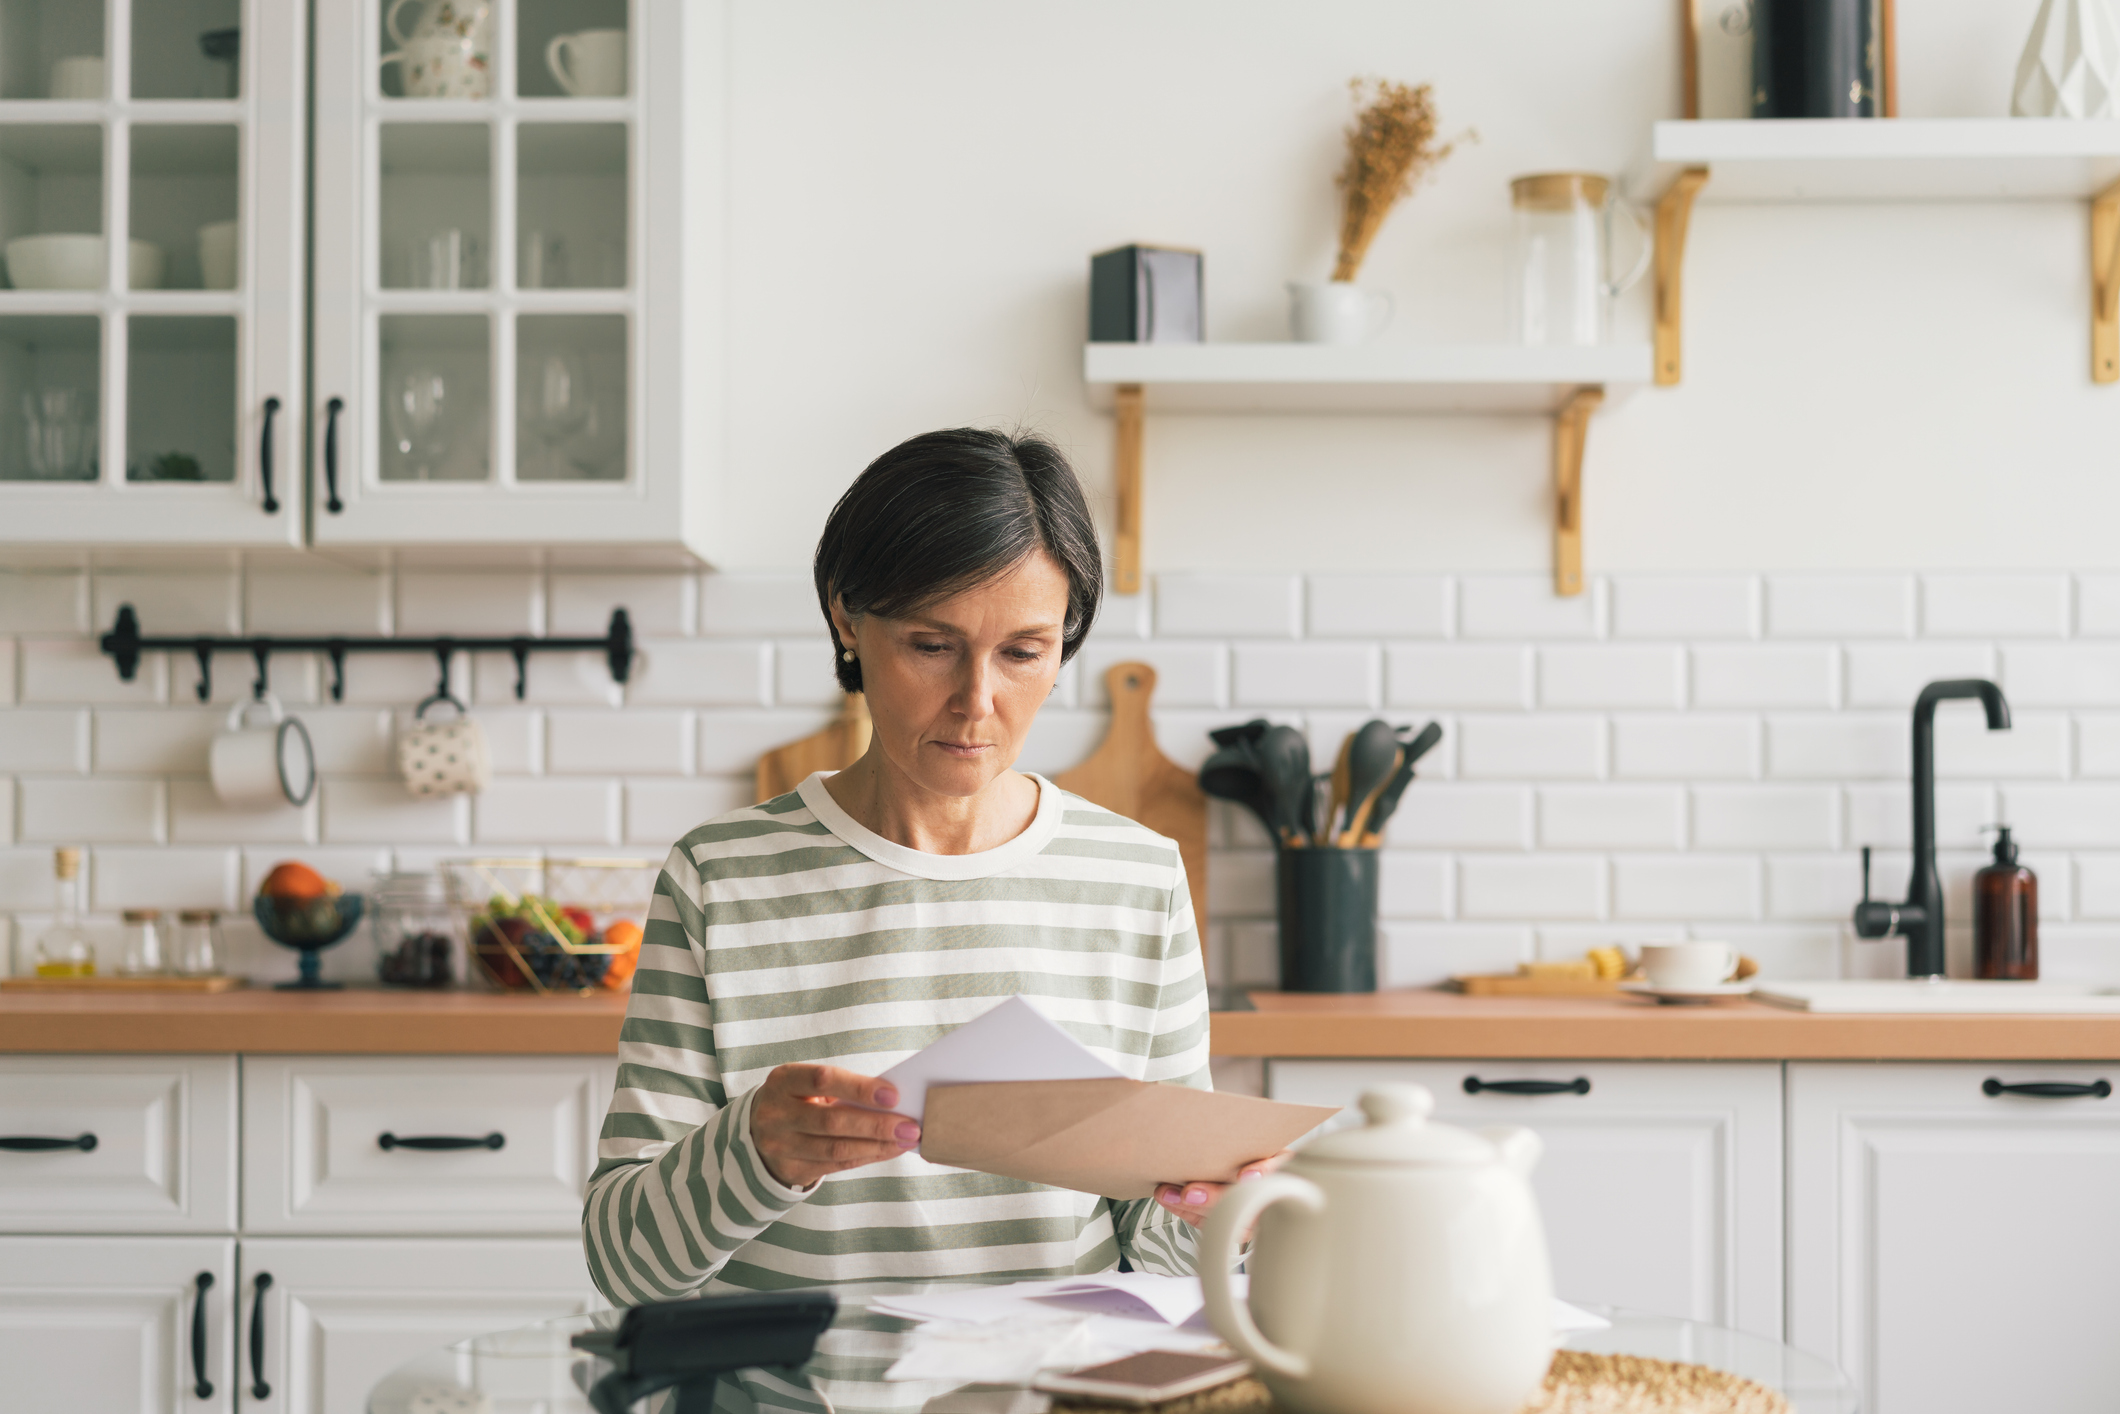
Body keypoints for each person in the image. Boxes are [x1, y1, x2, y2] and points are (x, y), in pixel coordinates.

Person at [583, 428, 1274, 1312]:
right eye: (931, 644)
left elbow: (1163, 1251)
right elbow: (623, 1265)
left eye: (1023, 653)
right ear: (846, 617)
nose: (977, 701)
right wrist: (753, 1153)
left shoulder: (1135, 877)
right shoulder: (720, 878)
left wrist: (1226, 1214)